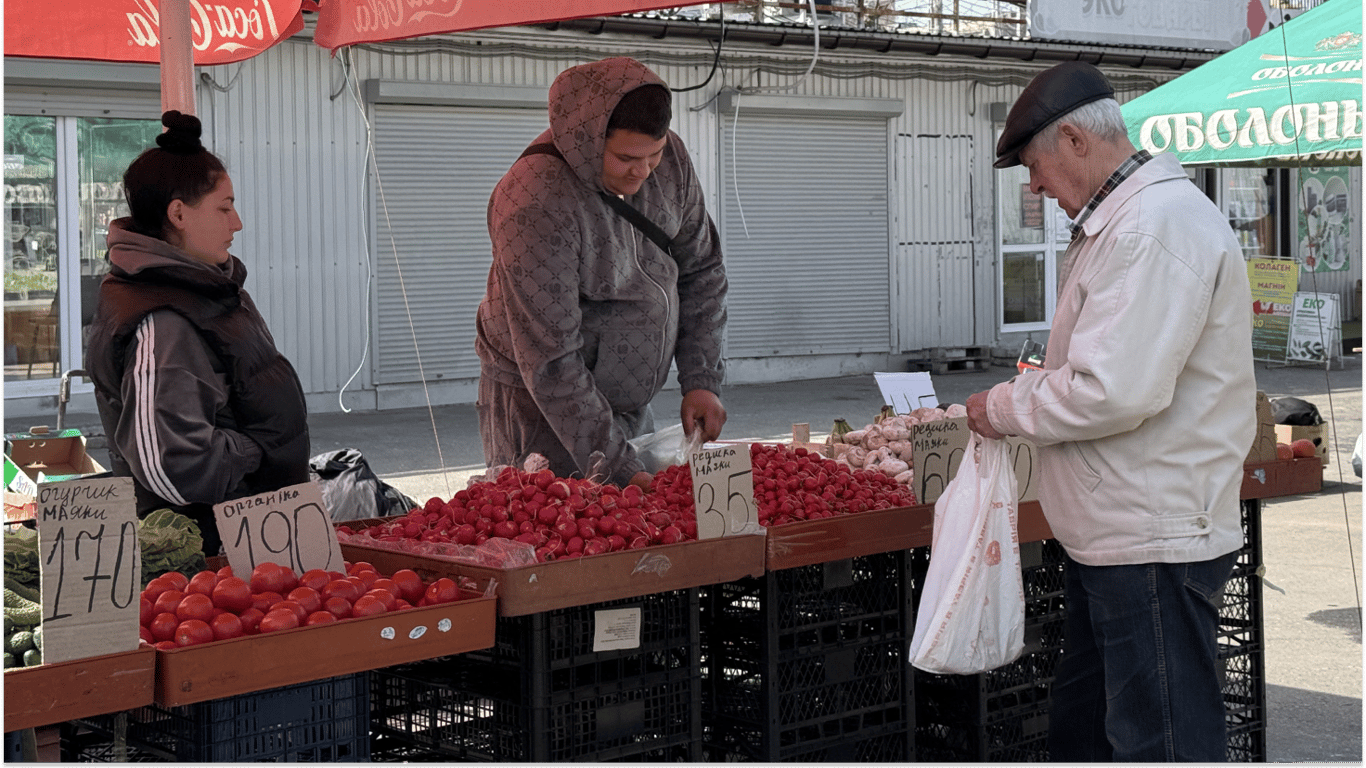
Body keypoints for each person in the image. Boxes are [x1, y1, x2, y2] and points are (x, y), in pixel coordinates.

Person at [964, 62, 1256, 762]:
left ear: (1073, 140)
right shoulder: (1128, 223)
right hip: (1122, 533)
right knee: (1095, 728)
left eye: (1034, 167)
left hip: (1149, 537)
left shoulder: (1150, 229)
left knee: (1161, 742)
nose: (1033, 188)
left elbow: (1111, 389)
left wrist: (1003, 406)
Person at [476, 57, 728, 489]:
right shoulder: (535, 203)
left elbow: (701, 269)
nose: (644, 171)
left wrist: (701, 378)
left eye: (656, 154)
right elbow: (551, 361)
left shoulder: (671, 163)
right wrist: (617, 466)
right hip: (545, 413)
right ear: (586, 141)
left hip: (628, 405)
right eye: (627, 158)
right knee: (561, 534)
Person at [87, 111, 310, 556]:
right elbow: (173, 466)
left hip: (249, 531)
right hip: (204, 548)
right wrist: (258, 449)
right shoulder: (161, 318)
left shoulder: (207, 287)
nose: (237, 223)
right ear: (178, 213)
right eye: (224, 207)